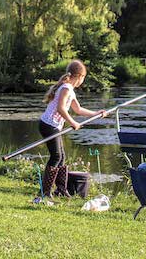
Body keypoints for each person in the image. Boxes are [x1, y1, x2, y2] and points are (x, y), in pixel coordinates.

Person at [38, 59, 107, 199]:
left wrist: (97, 113)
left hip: (53, 126)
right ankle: (45, 192)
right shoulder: (65, 88)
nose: (83, 81)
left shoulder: (69, 89)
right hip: (48, 125)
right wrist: (73, 122)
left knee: (61, 156)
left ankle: (61, 189)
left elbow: (78, 109)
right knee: (56, 156)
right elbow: (61, 108)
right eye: (83, 78)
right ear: (80, 76)